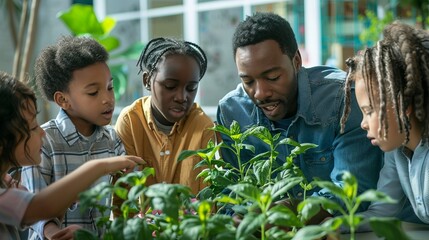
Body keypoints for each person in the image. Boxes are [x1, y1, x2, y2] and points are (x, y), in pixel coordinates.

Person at [216, 12, 383, 215]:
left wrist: (293, 212)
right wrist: (237, 216)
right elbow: (232, 191)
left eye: (272, 77)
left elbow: (353, 190)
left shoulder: (343, 98)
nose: (260, 93)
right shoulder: (231, 111)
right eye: (248, 82)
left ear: (296, 61)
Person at [0, 71, 144, 240]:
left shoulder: (8, 183)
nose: (42, 133)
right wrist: (99, 166)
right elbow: (39, 207)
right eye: (32, 128)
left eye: (110, 87)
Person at [20, 36, 126, 239]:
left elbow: (122, 202)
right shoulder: (43, 141)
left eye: (110, 87)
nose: (107, 98)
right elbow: (32, 205)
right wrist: (54, 232)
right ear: (63, 100)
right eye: (93, 92)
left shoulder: (113, 139)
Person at [112, 37, 216, 216]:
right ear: (147, 81)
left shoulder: (202, 126)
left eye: (191, 88)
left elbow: (206, 203)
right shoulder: (130, 121)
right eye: (170, 86)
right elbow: (122, 201)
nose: (182, 97)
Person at [341, 22, 429, 225]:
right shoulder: (396, 150)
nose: (363, 124)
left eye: (369, 111)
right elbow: (382, 211)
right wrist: (333, 227)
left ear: (403, 105)